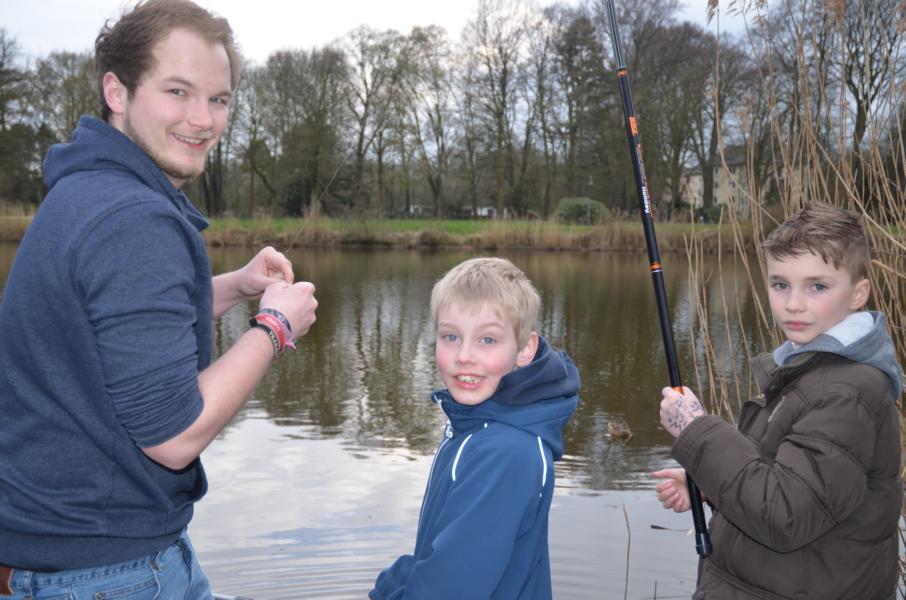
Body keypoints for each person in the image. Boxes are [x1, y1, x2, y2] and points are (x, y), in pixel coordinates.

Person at [0, 0, 318, 597]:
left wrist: (236, 285)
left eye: (218, 99)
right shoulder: (134, 219)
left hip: (65, 557)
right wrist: (275, 327)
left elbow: (116, 330)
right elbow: (174, 438)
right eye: (178, 91)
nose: (202, 119)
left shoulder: (87, 189)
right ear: (117, 92)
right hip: (106, 572)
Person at [653, 203, 903, 599]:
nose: (793, 304)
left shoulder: (846, 393)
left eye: (817, 287)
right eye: (780, 284)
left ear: (858, 293)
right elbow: (785, 475)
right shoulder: (807, 368)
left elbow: (785, 517)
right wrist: (709, 482)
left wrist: (697, 432)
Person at [369, 257, 580, 600]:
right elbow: (444, 548)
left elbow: (448, 590)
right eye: (451, 336)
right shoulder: (471, 424)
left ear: (524, 349)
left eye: (487, 340)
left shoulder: (507, 452)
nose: (464, 356)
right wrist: (393, 584)